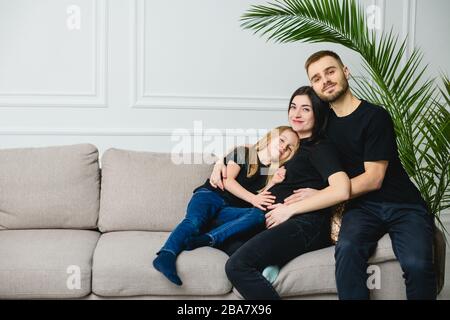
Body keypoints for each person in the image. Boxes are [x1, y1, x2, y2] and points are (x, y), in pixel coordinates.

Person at [283, 50, 436, 299]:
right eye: (317, 78)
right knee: (347, 250)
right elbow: (286, 140)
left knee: (417, 264)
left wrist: (324, 193)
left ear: (345, 72)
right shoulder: (323, 126)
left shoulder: (375, 116)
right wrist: (232, 160)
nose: (325, 80)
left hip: (403, 205)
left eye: (330, 71)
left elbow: (373, 178)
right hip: (362, 209)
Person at [212, 86, 351, 299]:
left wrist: (289, 209)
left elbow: (342, 189)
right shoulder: (295, 145)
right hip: (278, 220)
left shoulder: (319, 147)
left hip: (305, 223)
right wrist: (220, 162)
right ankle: (270, 264)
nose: (296, 113)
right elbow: (256, 148)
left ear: (318, 113)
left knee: (237, 266)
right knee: (227, 239)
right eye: (293, 107)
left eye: (305, 109)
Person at [152, 126, 299, 286]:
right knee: (193, 221)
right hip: (211, 196)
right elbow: (228, 181)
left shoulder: (271, 172)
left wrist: (274, 182)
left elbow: (263, 198)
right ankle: (166, 255)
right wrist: (253, 198)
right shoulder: (245, 153)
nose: (283, 147)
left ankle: (208, 239)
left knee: (258, 215)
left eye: (289, 147)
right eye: (282, 140)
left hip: (227, 212)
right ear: (271, 137)